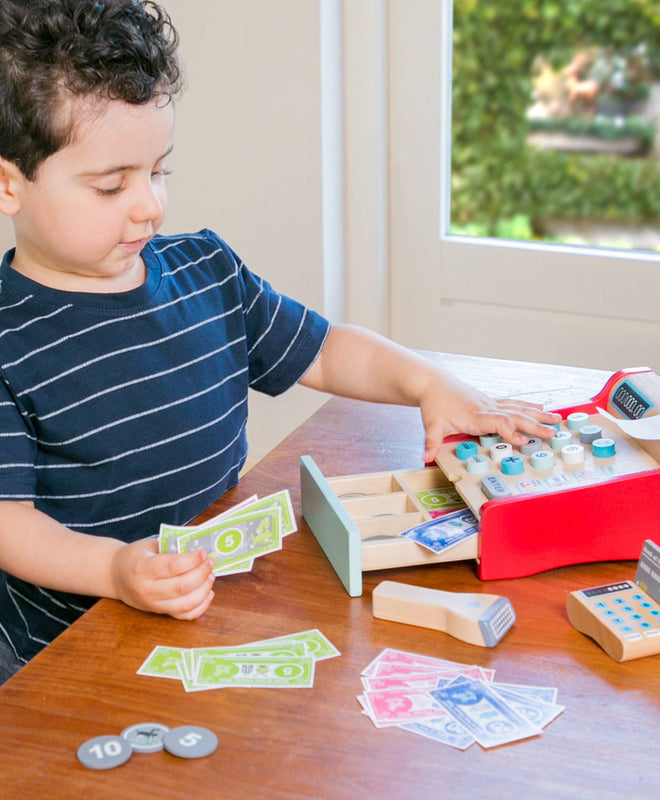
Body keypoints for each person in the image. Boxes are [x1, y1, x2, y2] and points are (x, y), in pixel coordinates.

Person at [0, 0, 559, 682]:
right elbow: (10, 525)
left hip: (212, 610)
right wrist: (116, 570)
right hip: (70, 655)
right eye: (112, 185)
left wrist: (429, 384)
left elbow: (324, 351)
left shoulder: (206, 270)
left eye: (158, 171)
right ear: (9, 183)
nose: (150, 204)